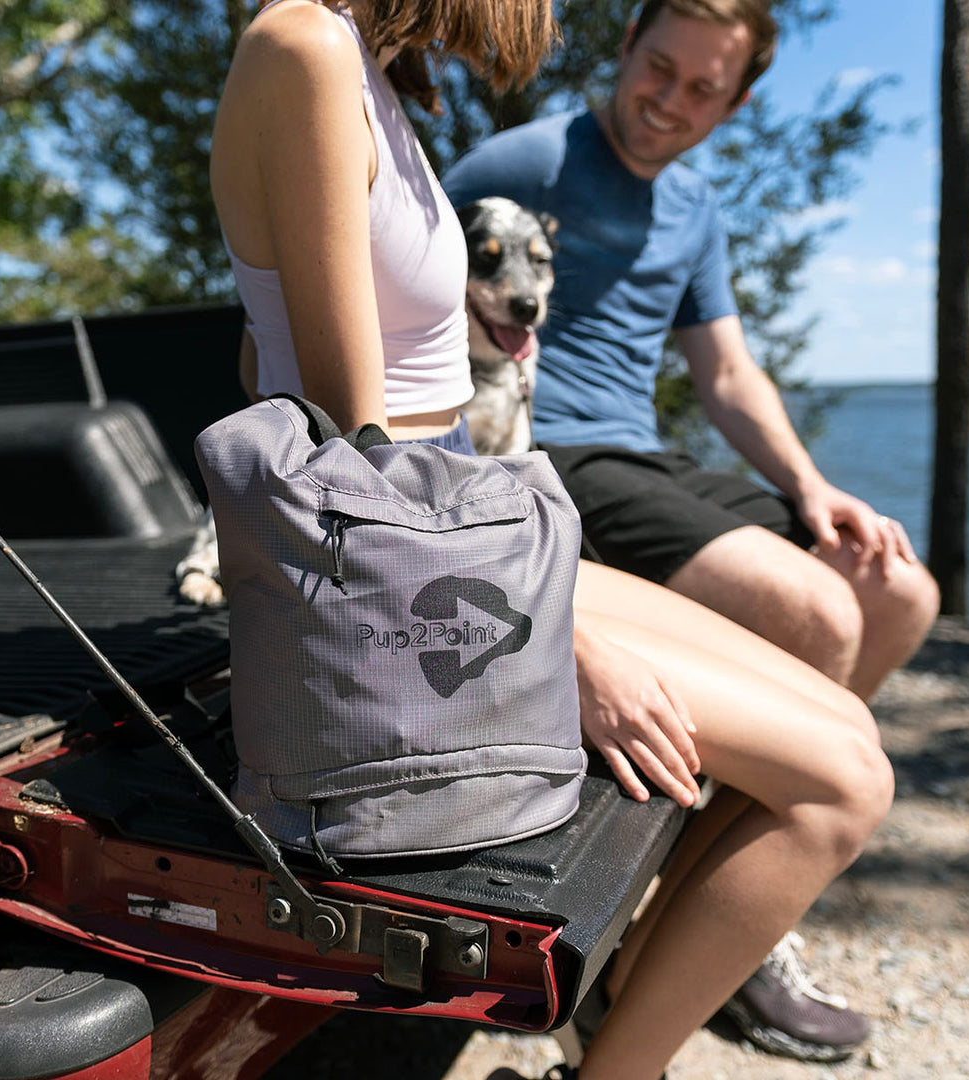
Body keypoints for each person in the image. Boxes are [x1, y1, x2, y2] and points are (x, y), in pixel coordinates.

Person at [209, 3, 894, 1078]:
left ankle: (634, 1006)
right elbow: (355, 439)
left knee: (848, 722)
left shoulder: (369, 74)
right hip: (404, 590)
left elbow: (269, 363)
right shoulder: (303, 47)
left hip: (460, 543)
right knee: (841, 786)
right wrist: (551, 649)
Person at [443, 0, 939, 1059]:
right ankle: (706, 937)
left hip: (645, 453)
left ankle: (721, 902)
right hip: (552, 452)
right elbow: (411, 306)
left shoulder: (698, 207)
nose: (668, 100)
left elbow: (722, 369)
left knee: (898, 589)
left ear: (737, 102)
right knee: (815, 611)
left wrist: (812, 488)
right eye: (656, 69)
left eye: (702, 89)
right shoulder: (524, 159)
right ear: (625, 50)